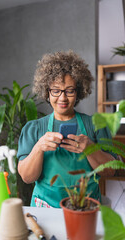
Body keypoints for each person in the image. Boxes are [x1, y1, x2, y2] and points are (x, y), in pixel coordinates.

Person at [17, 50, 116, 208]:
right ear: (47, 93)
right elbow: (27, 178)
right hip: (45, 206)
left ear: (78, 93)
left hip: (85, 207)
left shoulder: (96, 125)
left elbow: (110, 171)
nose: (62, 98)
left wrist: (90, 148)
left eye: (69, 91)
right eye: (56, 91)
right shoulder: (33, 128)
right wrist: (39, 148)